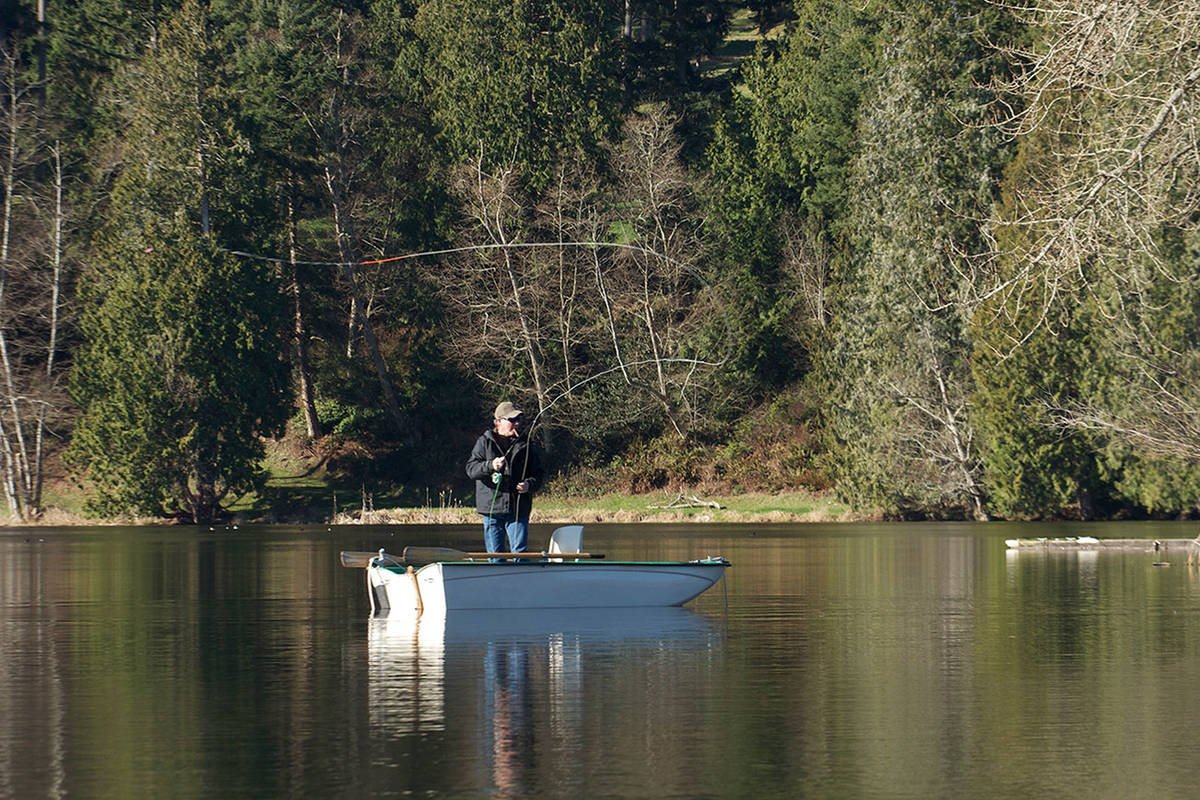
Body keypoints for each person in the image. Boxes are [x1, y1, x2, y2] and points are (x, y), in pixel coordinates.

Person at [466, 401, 544, 557]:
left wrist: (529, 485)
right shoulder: (484, 442)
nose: (516, 423)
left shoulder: (526, 445)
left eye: (518, 420)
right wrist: (490, 465)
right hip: (492, 510)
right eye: (512, 420)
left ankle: (520, 579)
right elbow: (471, 469)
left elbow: (539, 474)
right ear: (499, 421)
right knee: (495, 557)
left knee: (520, 554)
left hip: (518, 508)